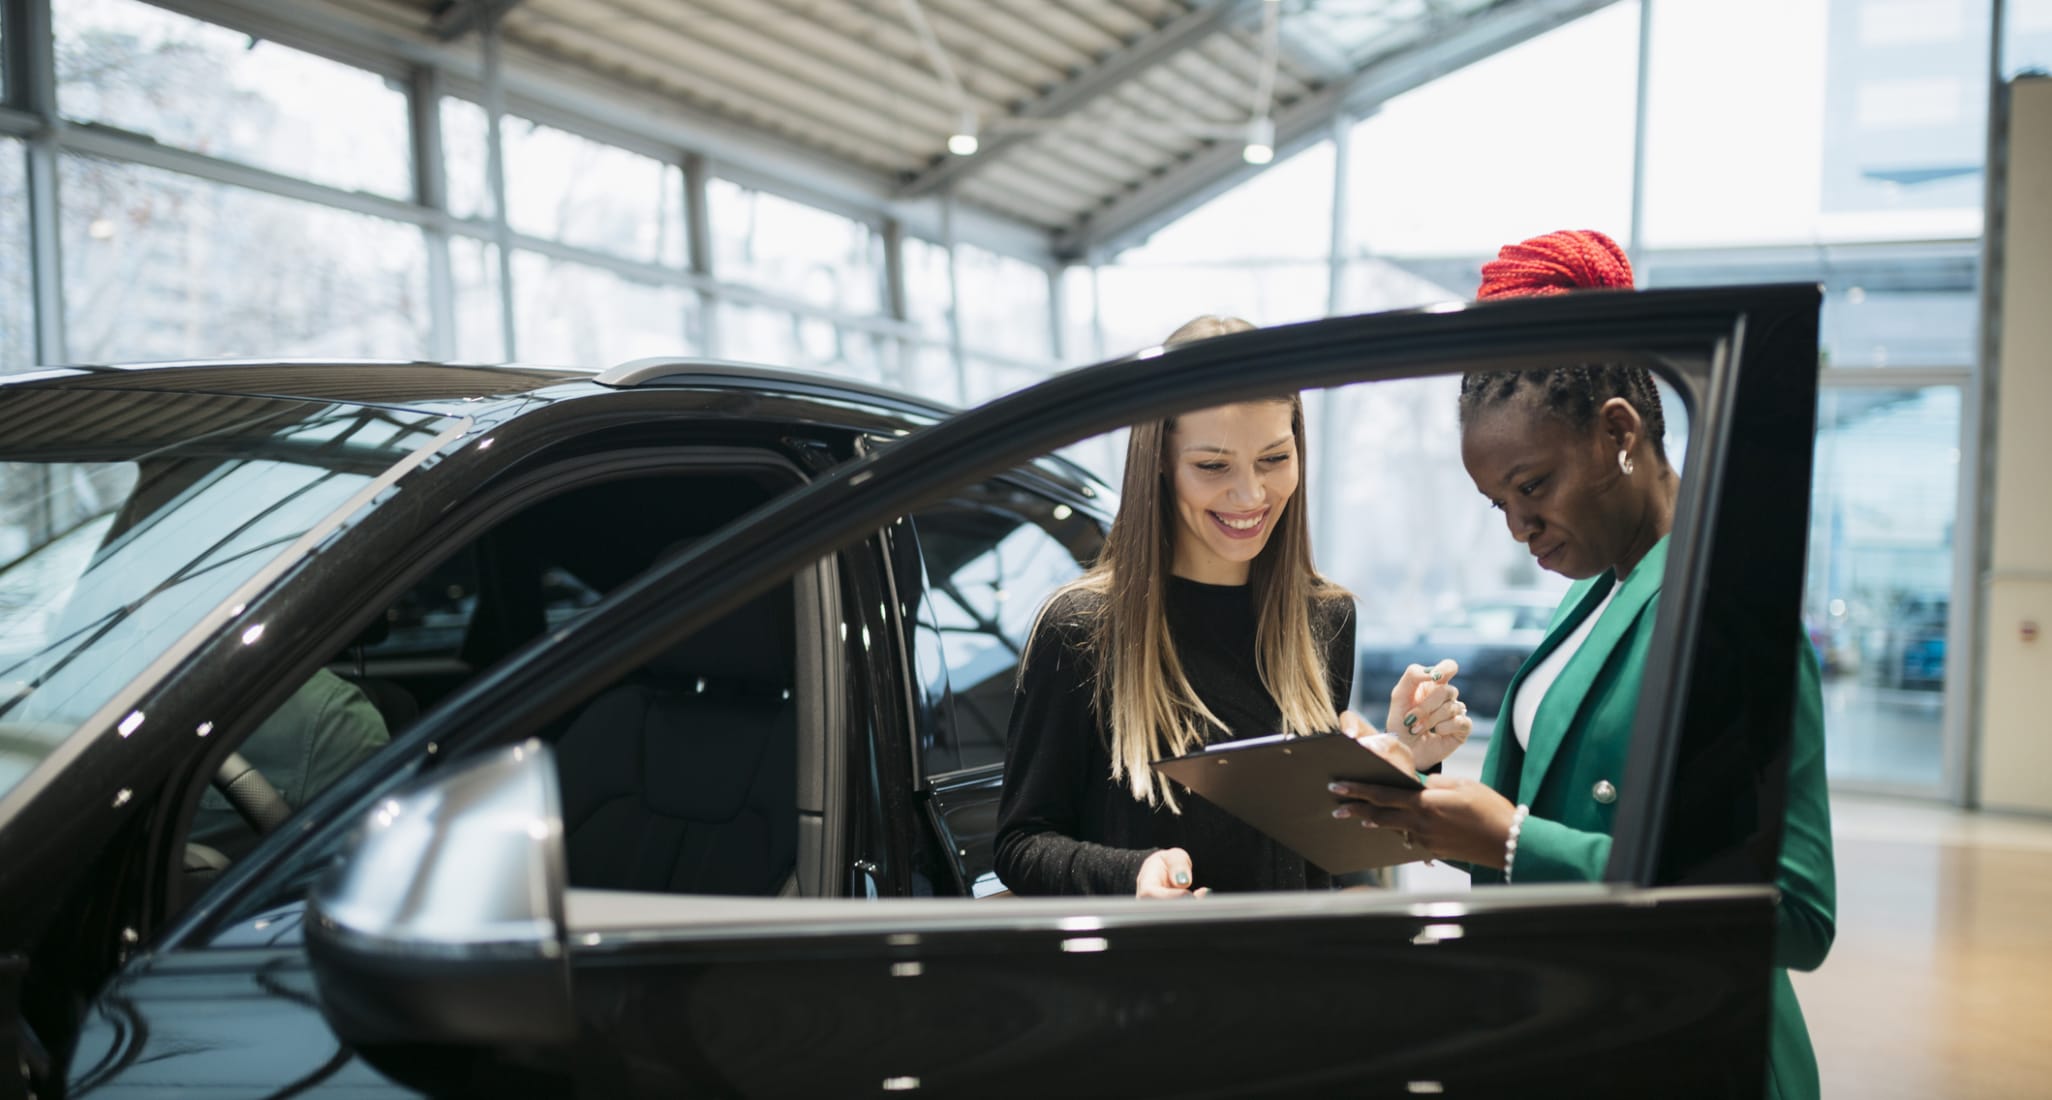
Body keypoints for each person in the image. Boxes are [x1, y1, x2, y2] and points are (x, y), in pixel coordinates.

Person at [1328, 230, 1835, 1100]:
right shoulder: (1596, 591)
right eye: (1497, 502)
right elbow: (1542, 807)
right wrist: (1420, 787)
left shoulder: (1727, 606)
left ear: (1618, 434)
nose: (1517, 529)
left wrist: (1519, 844)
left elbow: (1793, 913)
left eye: (1533, 486)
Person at [994, 314, 1473, 899]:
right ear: (1160, 463)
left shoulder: (1325, 620)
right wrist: (1132, 876)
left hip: (1296, 976)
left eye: (1274, 459)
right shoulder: (1081, 630)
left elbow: (1321, 851)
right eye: (1213, 466)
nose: (1250, 495)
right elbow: (1023, 845)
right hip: (1154, 980)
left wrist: (1402, 760)